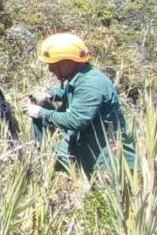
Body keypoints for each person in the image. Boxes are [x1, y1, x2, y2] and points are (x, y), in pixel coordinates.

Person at [23, 33, 136, 176]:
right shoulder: (80, 77)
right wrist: (50, 94)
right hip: (87, 149)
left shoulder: (90, 84)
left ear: (67, 63)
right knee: (54, 156)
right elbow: (69, 90)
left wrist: (40, 113)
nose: (50, 70)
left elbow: (76, 120)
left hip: (107, 159)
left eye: (52, 65)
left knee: (103, 196)